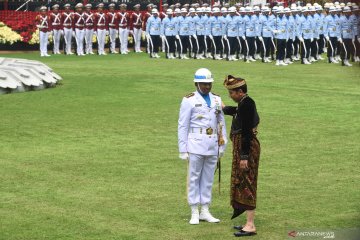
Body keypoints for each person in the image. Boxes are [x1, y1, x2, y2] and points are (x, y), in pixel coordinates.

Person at [178, 68, 227, 225]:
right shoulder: (189, 100)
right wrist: (182, 148)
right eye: (204, 84)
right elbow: (182, 125)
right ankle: (194, 210)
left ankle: (205, 210)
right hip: (195, 144)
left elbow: (221, 123)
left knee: (208, 179)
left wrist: (223, 143)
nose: (207, 87)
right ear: (196, 83)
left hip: (212, 143)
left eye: (209, 84)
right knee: (194, 178)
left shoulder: (217, 99)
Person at [222, 75, 260, 237]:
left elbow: (245, 131)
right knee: (242, 180)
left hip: (247, 148)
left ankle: (250, 225)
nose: (230, 95)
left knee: (248, 182)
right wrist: (223, 108)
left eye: (231, 93)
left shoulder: (248, 104)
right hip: (244, 148)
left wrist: (244, 156)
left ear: (239, 91)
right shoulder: (244, 104)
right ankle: (247, 222)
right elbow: (236, 112)